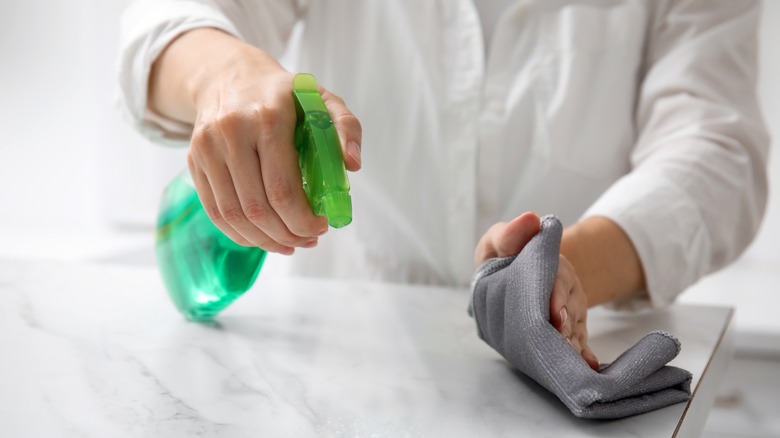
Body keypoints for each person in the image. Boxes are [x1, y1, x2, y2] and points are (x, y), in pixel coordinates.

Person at [119, 0, 769, 369]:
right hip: (351, 367)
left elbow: (716, 152)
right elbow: (165, 21)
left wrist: (564, 269)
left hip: (576, 364)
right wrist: (225, 74)